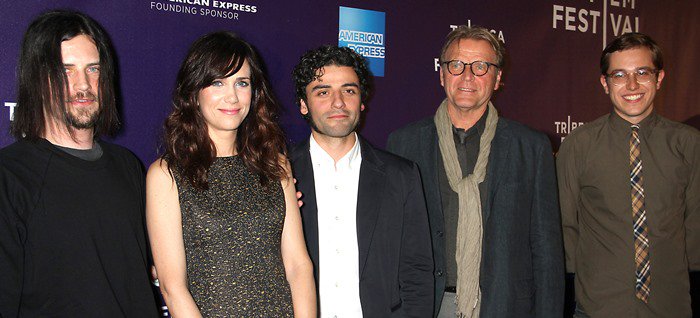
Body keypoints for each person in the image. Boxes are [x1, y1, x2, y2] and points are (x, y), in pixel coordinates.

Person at [387, 25, 564, 317]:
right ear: (442, 73)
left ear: (497, 79)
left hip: (505, 305)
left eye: (481, 66)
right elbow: (391, 241)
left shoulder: (531, 147)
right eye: (457, 65)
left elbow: (546, 248)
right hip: (428, 305)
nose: (467, 76)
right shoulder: (404, 143)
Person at [0, 10, 159, 316]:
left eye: (93, 69)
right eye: (66, 71)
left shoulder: (128, 166)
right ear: (37, 79)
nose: (83, 85)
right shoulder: (9, 176)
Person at [146, 31, 315, 317]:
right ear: (194, 92)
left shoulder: (276, 165)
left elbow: (299, 266)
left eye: (242, 83)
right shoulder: (167, 174)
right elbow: (174, 288)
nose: (232, 96)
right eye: (217, 82)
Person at [557, 32, 699, 317]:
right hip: (599, 306)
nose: (632, 85)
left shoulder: (689, 143)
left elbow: (695, 225)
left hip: (671, 306)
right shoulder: (579, 144)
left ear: (659, 78)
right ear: (605, 83)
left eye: (642, 73)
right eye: (619, 75)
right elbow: (566, 226)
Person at [289, 45, 434, 317]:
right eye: (323, 92)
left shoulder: (401, 176)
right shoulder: (277, 175)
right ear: (303, 105)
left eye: (349, 90)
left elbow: (417, 271)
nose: (338, 102)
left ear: (362, 101)